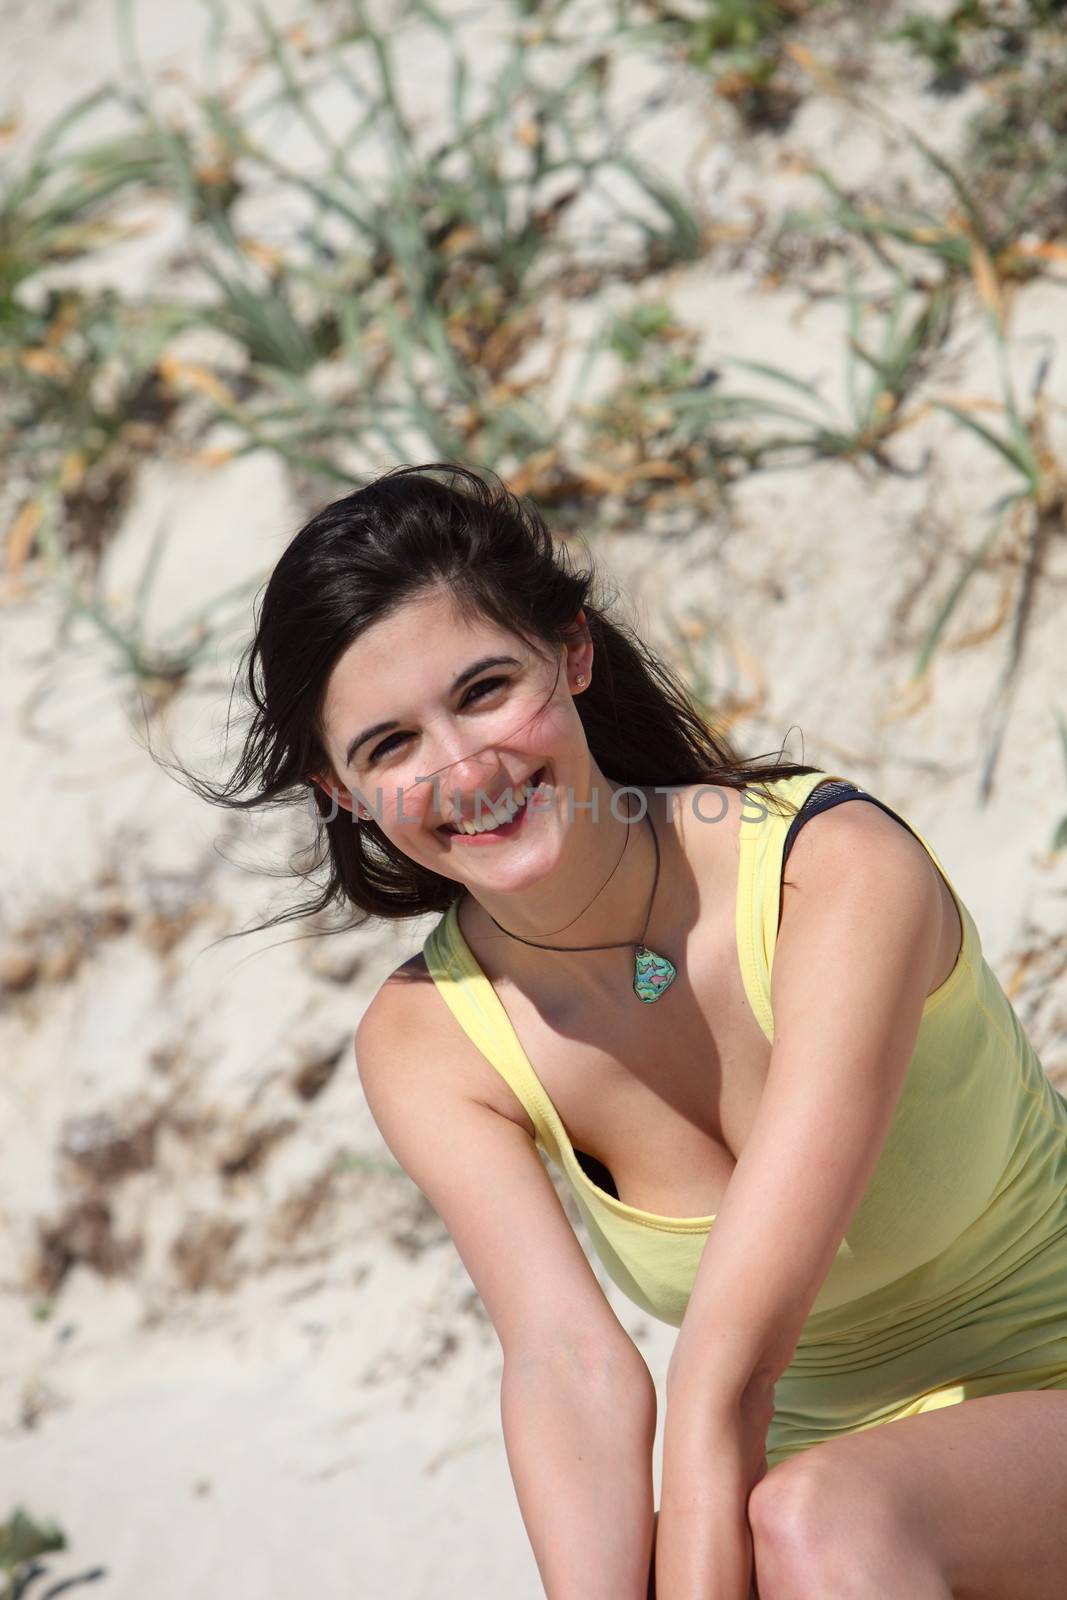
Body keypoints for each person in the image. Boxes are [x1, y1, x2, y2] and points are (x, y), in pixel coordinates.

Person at [195, 462, 1067, 1600]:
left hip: (981, 1425)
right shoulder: (431, 1041)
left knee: (808, 1520)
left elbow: (725, 1372)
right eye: (389, 746)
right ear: (341, 790)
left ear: (571, 652)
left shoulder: (827, 871)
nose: (464, 769)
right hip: (828, 1501)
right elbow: (568, 1368)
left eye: (484, 688)